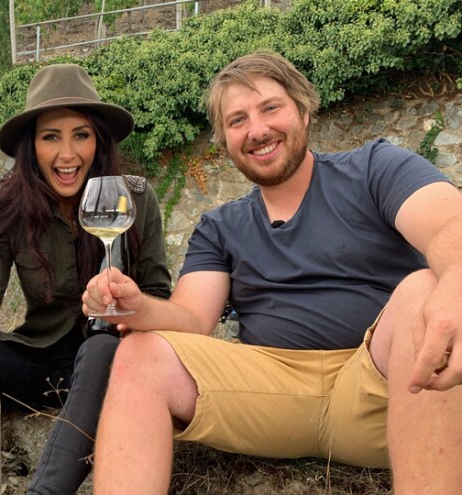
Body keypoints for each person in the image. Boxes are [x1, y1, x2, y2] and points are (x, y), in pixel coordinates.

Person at [87, 52, 462, 494]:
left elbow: (448, 224)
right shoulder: (220, 226)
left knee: (424, 289)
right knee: (138, 354)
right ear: (224, 140)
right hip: (270, 392)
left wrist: (455, 284)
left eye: (270, 108)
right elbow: (192, 321)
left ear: (303, 110)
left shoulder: (374, 169)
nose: (257, 130)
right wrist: (139, 308)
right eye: (237, 120)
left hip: (384, 385)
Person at [0, 63, 172, 495]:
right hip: (37, 359)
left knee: (101, 347)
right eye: (51, 137)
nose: (67, 153)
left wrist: (130, 303)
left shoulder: (134, 197)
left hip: (110, 359)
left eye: (81, 134)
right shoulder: (8, 206)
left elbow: (160, 297)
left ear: (98, 139)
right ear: (31, 147)